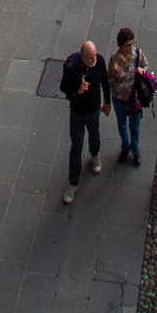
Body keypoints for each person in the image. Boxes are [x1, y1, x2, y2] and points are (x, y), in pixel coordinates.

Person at [60, 39, 110, 203]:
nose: (93, 60)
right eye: (90, 57)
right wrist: (77, 90)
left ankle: (95, 155)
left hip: (93, 109)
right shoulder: (72, 68)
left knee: (94, 134)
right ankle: (73, 182)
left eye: (94, 56)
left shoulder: (100, 61)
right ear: (82, 57)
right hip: (78, 112)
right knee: (76, 146)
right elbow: (64, 88)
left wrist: (107, 102)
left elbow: (104, 82)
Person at [107, 26, 148, 164]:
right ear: (121, 45)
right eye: (127, 45)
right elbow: (110, 80)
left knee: (135, 127)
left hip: (134, 97)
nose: (130, 47)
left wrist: (142, 70)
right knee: (122, 125)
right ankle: (125, 147)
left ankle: (135, 150)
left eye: (132, 44)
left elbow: (145, 66)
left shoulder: (138, 54)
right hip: (119, 98)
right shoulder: (114, 59)